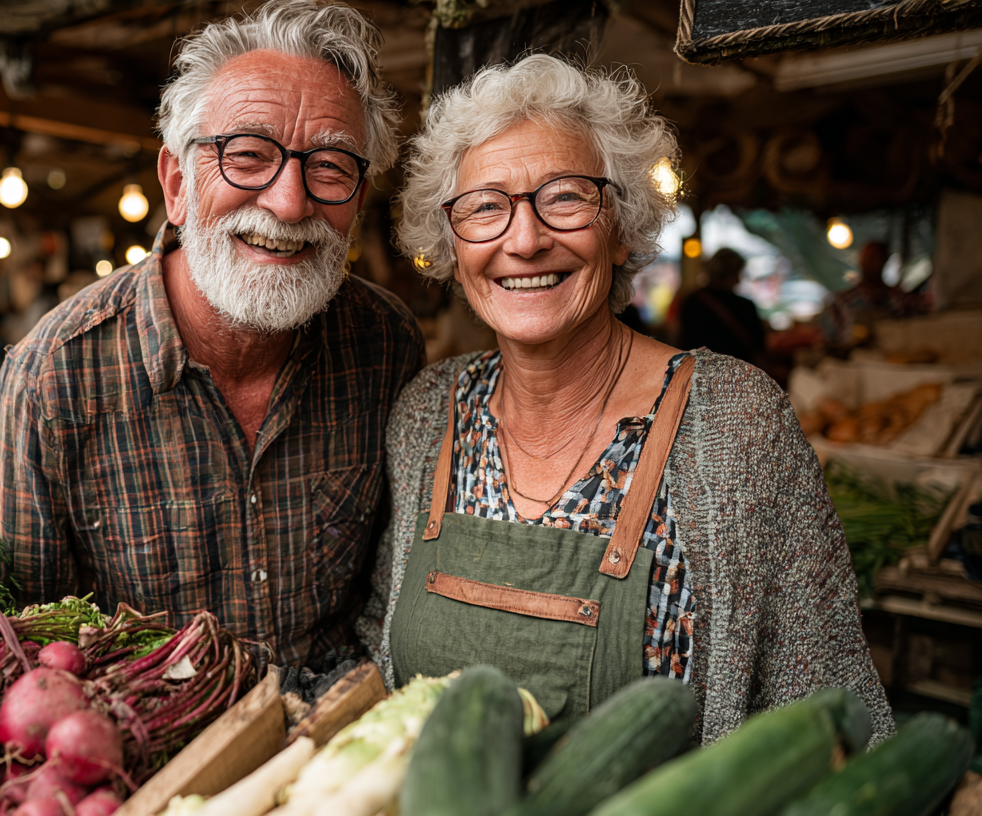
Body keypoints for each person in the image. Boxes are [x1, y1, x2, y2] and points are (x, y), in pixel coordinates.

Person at [366, 56, 891, 743]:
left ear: (620, 227)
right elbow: (378, 648)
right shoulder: (425, 415)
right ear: (452, 248)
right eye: (486, 207)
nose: (524, 240)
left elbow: (829, 708)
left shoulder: (733, 421)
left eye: (565, 198)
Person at [0, 0, 425, 666]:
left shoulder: (386, 343)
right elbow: (24, 651)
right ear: (177, 182)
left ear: (358, 200)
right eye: (247, 156)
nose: (289, 203)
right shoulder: (52, 379)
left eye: (330, 167)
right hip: (145, 728)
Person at [820, 240, 926, 350]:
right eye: (865, 258)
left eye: (874, 258)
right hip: (852, 358)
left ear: (885, 260)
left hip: (892, 357)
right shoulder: (842, 301)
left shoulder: (900, 300)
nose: (869, 262)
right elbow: (828, 338)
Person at [678, 247, 767, 364]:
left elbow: (684, 340)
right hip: (738, 369)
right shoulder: (745, 306)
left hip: (700, 367)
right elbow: (758, 344)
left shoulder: (692, 301)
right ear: (734, 274)